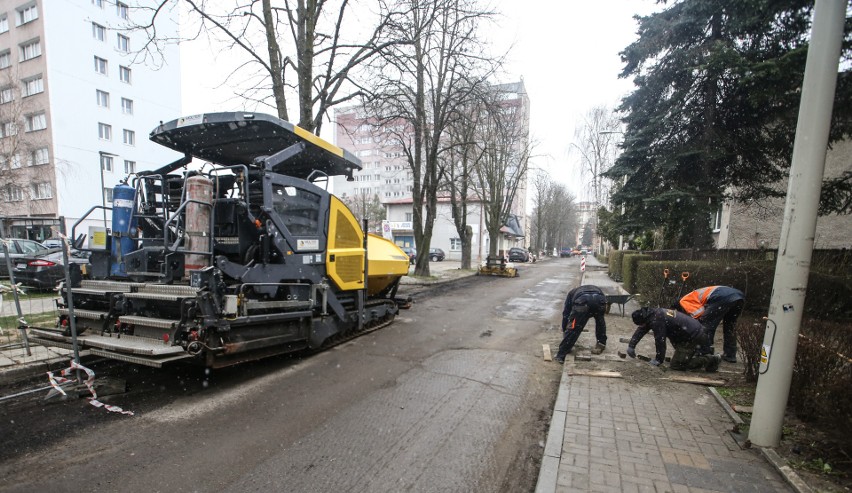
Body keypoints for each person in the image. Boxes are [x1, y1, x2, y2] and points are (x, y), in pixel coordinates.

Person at [625, 307, 721, 372]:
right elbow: (642, 329)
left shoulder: (657, 320)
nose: (641, 326)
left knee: (676, 365)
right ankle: (700, 351)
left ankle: (711, 359)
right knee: (680, 353)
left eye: (640, 324)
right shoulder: (651, 313)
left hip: (692, 336)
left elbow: (660, 341)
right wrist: (631, 345)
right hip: (689, 333)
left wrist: (659, 360)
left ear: (643, 320)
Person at [677, 286, 744, 363]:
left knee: (706, 325)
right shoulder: (694, 295)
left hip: (722, 297)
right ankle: (730, 355)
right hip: (738, 297)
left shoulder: (684, 301)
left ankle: (705, 353)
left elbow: (699, 315)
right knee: (730, 327)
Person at [555, 285, 608, 363]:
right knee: (600, 322)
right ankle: (601, 344)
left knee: (574, 328)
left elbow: (566, 314)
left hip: (583, 302)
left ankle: (562, 354)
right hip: (599, 301)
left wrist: (565, 330)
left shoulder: (571, 293)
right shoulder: (592, 288)